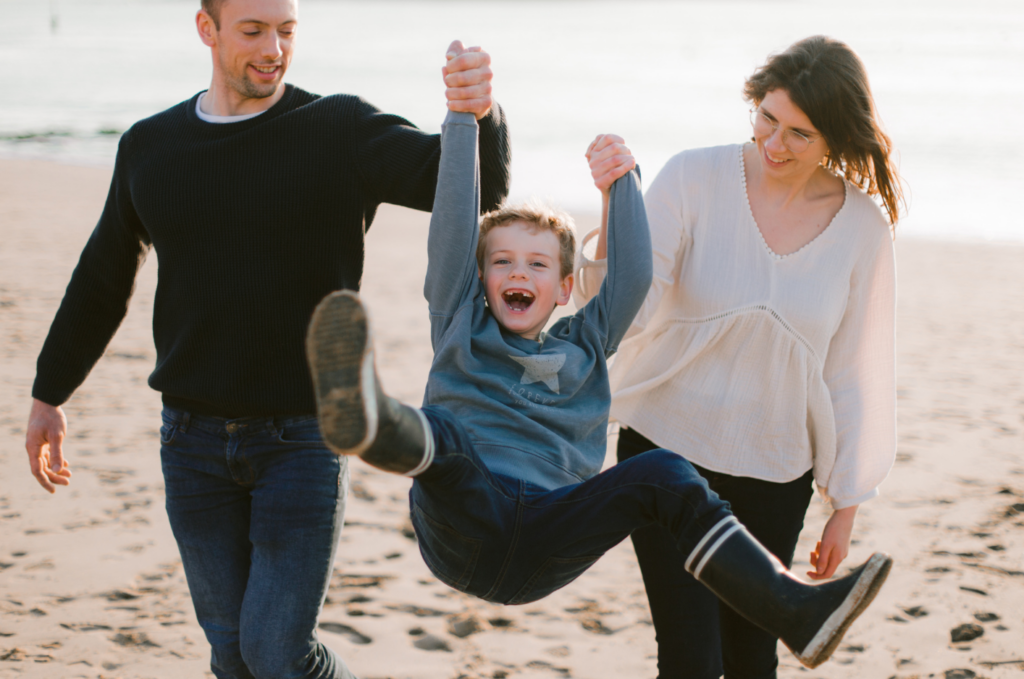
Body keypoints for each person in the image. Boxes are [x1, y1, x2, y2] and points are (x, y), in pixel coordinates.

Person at [304, 100, 894, 671]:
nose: (518, 272)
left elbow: (632, 277)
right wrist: (463, 119)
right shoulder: (460, 324)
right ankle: (372, 420)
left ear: (565, 287)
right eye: (501, 262)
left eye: (537, 264)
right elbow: (455, 224)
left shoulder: (586, 345)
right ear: (478, 278)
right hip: (464, 525)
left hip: (550, 535)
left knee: (665, 471)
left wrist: (622, 185)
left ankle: (795, 609)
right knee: (450, 441)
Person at [23, 0, 511, 675]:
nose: (273, 50)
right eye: (252, 31)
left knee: (277, 651)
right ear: (207, 29)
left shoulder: (338, 128)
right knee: (231, 652)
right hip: (189, 443)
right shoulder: (150, 146)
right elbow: (104, 277)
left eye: (286, 32)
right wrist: (51, 392)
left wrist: (480, 112)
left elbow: (475, 188)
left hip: (303, 440)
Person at [574, 35, 904, 679]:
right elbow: (629, 305)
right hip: (666, 452)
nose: (775, 145)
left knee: (752, 657)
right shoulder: (695, 176)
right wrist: (618, 207)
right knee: (691, 654)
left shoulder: (863, 229)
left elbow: (856, 371)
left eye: (800, 134)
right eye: (767, 119)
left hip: (775, 469)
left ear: (836, 137)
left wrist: (847, 504)